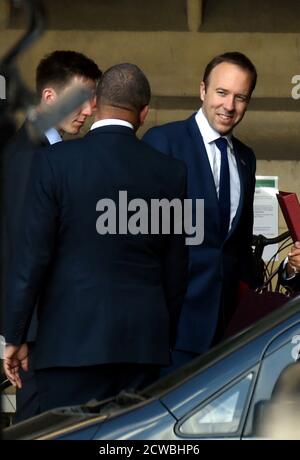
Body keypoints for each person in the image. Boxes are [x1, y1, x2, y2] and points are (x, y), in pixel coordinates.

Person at [3, 63, 188, 413]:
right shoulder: (172, 174)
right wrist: (160, 334)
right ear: (144, 113)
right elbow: (177, 269)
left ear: (96, 103)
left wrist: (15, 335)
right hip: (142, 348)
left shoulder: (55, 162)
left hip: (68, 346)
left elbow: (33, 258)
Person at [2, 50, 102, 422]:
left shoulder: (46, 151)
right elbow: (20, 249)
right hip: (39, 336)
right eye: (82, 99)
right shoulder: (30, 155)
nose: (89, 110)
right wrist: (21, 334)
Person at [143, 51, 257, 367]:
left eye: (240, 97)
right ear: (203, 90)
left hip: (229, 332)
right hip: (173, 330)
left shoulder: (246, 158)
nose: (229, 106)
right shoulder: (164, 142)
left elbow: (238, 245)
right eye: (221, 93)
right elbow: (143, 241)